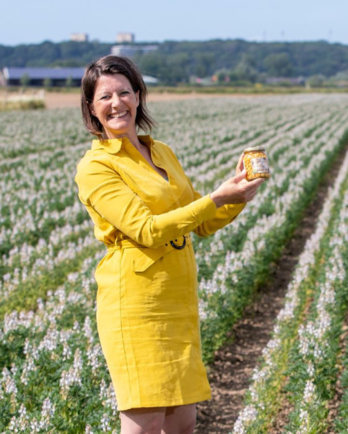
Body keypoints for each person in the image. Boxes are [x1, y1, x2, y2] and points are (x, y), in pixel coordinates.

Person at [74, 55, 265, 434]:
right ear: (92, 110)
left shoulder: (160, 151)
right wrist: (215, 198)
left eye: (124, 92)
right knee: (144, 424)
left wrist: (237, 196)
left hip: (176, 298)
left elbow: (204, 222)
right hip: (136, 303)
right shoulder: (96, 168)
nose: (117, 103)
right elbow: (145, 230)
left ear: (139, 95)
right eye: (105, 97)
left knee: (182, 425)